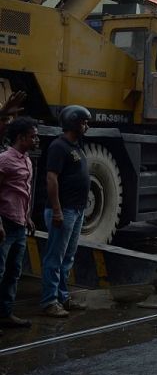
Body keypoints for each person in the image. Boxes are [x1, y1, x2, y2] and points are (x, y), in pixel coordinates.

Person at [40, 105, 91, 317]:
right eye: (83, 122)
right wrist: (57, 210)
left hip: (76, 210)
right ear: (72, 122)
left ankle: (62, 296)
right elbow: (51, 178)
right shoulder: (58, 147)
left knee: (68, 257)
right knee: (55, 257)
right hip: (65, 211)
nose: (86, 126)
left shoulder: (75, 146)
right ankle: (49, 301)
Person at [0, 117, 38, 330]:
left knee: (13, 272)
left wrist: (28, 217)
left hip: (20, 224)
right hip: (5, 224)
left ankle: (5, 313)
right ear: (21, 137)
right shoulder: (5, 160)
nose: (36, 140)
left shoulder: (27, 160)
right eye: (33, 136)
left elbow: (24, 193)